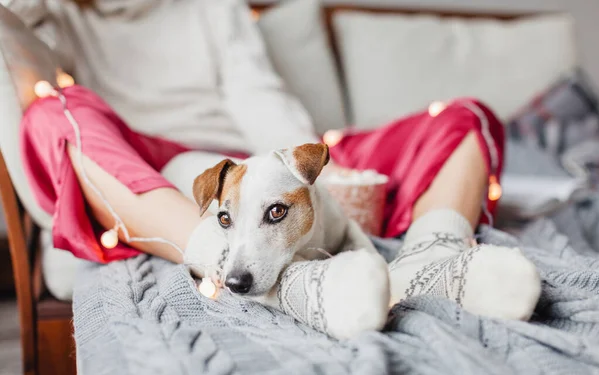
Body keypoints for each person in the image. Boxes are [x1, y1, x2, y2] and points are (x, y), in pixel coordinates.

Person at [14, 0, 540, 319]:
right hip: (148, 165)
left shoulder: (212, 9)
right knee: (49, 113)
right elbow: (15, 47)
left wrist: (319, 172)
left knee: (461, 117)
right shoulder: (55, 17)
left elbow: (258, 97)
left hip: (266, 162)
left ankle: (431, 257)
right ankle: (227, 261)